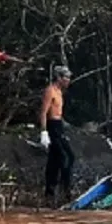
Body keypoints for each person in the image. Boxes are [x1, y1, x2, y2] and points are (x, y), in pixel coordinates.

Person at [40, 66, 74, 201]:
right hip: (52, 127)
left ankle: (51, 191)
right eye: (66, 77)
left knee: (55, 160)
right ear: (59, 78)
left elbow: (58, 112)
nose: (68, 80)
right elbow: (43, 112)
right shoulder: (50, 91)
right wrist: (43, 132)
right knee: (65, 157)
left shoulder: (60, 92)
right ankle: (65, 191)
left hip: (59, 126)